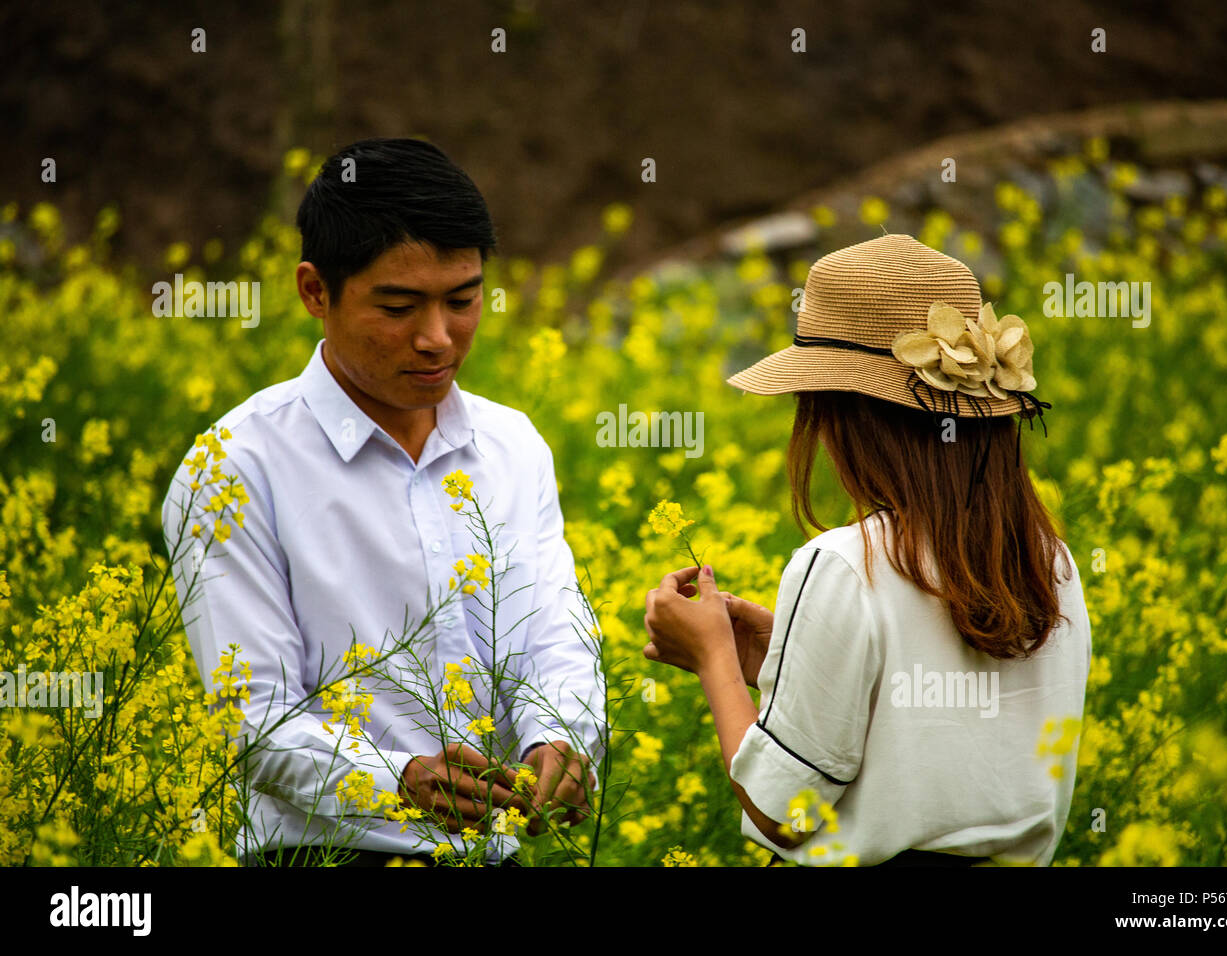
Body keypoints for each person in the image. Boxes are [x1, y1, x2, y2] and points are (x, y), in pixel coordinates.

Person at [162, 137, 603, 866]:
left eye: (463, 301)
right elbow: (254, 713)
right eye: (399, 307)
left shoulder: (512, 447)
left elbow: (554, 637)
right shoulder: (237, 468)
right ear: (314, 292)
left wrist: (557, 739)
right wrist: (395, 780)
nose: (437, 339)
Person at [642, 234, 1091, 866]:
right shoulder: (1051, 564)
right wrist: (790, 661)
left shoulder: (846, 567)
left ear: (844, 413)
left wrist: (713, 656)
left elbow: (785, 814)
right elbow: (944, 737)